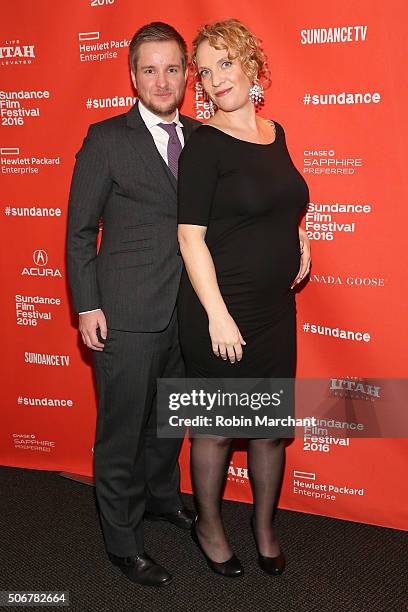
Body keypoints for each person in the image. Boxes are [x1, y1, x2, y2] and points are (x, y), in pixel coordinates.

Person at [66, 22, 199, 587]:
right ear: (132, 75)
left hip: (187, 312)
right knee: (122, 430)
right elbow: (79, 231)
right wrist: (88, 305)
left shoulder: (203, 136)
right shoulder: (106, 138)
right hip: (125, 313)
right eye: (150, 69)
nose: (162, 80)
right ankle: (122, 541)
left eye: (172, 68)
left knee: (170, 422)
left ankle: (160, 498)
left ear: (186, 75)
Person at [177, 19, 311, 578]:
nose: (213, 79)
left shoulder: (274, 132)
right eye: (204, 72)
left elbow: (276, 199)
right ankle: (208, 527)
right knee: (213, 426)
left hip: (275, 311)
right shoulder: (203, 144)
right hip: (220, 312)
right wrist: (218, 317)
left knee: (268, 431)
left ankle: (263, 527)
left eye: (223, 63)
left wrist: (296, 236)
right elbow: (190, 236)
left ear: (251, 65)